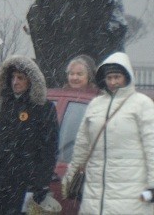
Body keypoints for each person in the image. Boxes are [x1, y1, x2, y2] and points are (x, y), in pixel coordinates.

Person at [63, 52, 154, 214]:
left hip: (130, 197)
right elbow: (81, 146)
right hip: (95, 196)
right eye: (109, 77)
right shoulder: (95, 105)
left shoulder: (142, 105)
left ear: (127, 76)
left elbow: (152, 147)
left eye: (117, 77)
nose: (113, 82)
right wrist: (69, 178)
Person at [0, 55, 59, 215]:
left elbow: (49, 149)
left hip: (25, 183)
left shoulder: (43, 108)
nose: (15, 82)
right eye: (12, 77)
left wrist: (40, 184)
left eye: (21, 77)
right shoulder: (3, 103)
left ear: (31, 80)